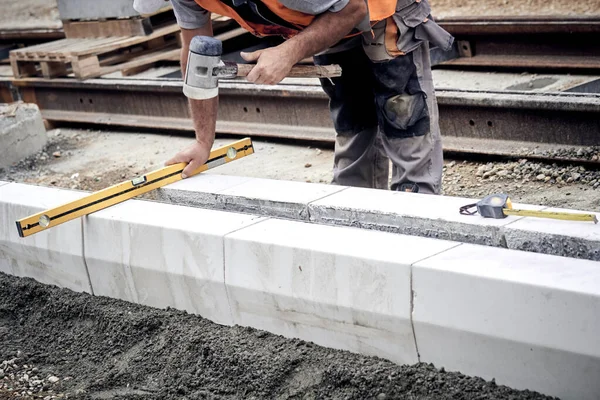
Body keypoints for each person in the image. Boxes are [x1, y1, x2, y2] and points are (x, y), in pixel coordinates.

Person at [137, 0, 453, 194]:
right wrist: (202, 141)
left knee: (403, 115)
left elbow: (354, 6)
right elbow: (197, 57)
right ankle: (355, 212)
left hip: (384, 9)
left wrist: (287, 53)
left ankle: (416, 214)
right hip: (329, 11)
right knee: (354, 121)